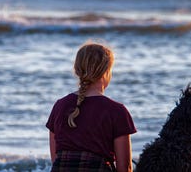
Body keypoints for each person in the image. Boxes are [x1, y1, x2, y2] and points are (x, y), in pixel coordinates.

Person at [46, 41, 137, 172]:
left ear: (77, 70)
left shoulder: (59, 106)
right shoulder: (117, 111)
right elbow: (124, 168)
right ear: (106, 72)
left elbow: (56, 160)